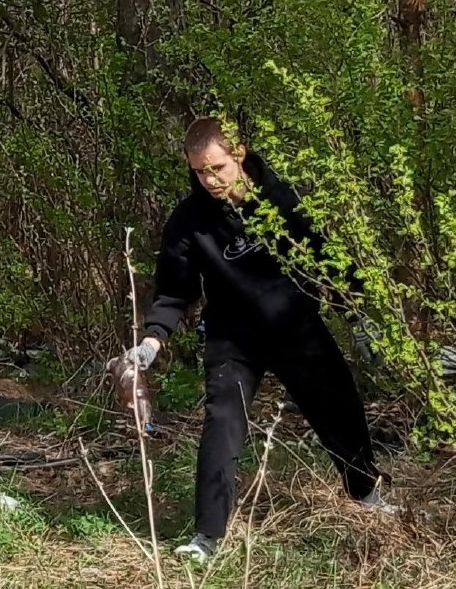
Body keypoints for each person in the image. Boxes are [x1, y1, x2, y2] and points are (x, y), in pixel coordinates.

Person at [114, 116, 394, 565]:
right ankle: (206, 536)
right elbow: (173, 291)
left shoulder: (282, 199)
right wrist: (152, 341)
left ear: (238, 154)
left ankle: (367, 493)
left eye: (217, 168)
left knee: (339, 405)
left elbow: (328, 261)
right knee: (222, 424)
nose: (209, 180)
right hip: (233, 339)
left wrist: (359, 316)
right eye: (199, 171)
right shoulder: (189, 223)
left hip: (297, 328)